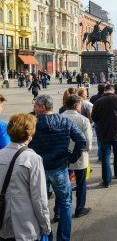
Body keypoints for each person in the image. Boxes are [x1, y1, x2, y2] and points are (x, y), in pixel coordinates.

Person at [29, 95, 86, 241]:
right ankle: (63, 238)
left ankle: (46, 236)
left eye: (36, 105)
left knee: (39, 205)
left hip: (39, 169)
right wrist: (71, 158)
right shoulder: (64, 121)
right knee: (66, 203)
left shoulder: (32, 123)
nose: (34, 108)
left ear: (42, 107)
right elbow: (81, 140)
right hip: (59, 167)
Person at [0, 114, 51, 241]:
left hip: (3, 223)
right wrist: (45, 226)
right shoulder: (33, 158)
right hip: (25, 225)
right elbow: (39, 198)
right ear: (29, 136)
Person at [91, 84, 117, 188]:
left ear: (105, 91)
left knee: (105, 156)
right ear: (113, 91)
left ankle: (107, 181)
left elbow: (93, 117)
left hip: (103, 133)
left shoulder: (98, 101)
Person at [62, 95, 93, 218]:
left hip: (63, 155)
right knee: (81, 183)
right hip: (80, 155)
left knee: (64, 183)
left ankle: (60, 210)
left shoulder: (60, 117)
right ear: (76, 105)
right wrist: (86, 150)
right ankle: (80, 208)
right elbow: (88, 142)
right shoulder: (83, 120)